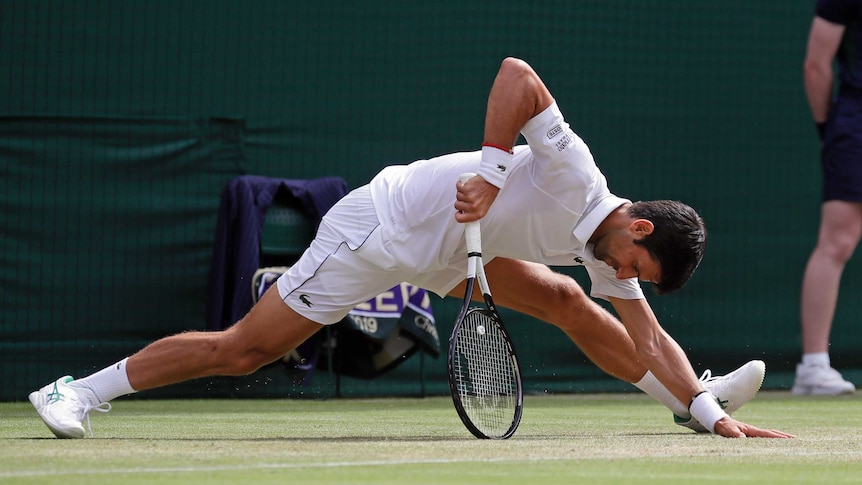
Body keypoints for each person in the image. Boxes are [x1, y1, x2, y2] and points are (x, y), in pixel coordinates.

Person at [30, 57, 794, 439]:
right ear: (638, 228)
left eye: (633, 276)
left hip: (452, 249)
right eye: (633, 265)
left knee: (570, 300)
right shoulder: (577, 174)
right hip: (381, 230)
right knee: (242, 350)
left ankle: (689, 403)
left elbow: (644, 333)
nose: (623, 275)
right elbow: (517, 76)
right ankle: (78, 391)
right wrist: (494, 174)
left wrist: (702, 408)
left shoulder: (607, 248)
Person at [793, 0, 860, 396]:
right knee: (838, 241)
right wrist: (826, 131)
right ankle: (814, 367)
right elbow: (815, 65)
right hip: (856, 123)